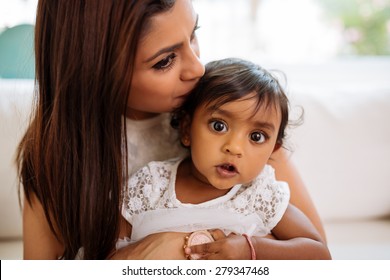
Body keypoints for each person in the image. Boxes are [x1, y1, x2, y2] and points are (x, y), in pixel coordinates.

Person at [17, 0, 326, 260]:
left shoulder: (238, 118)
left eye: (194, 34)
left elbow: (318, 256)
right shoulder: (57, 153)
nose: (198, 68)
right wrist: (143, 256)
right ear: (95, 69)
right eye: (165, 61)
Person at [120, 58, 331, 260]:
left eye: (256, 137)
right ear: (186, 128)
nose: (235, 147)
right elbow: (103, 255)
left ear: (272, 151)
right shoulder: (151, 185)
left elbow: (319, 254)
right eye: (219, 126)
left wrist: (253, 249)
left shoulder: (260, 195)